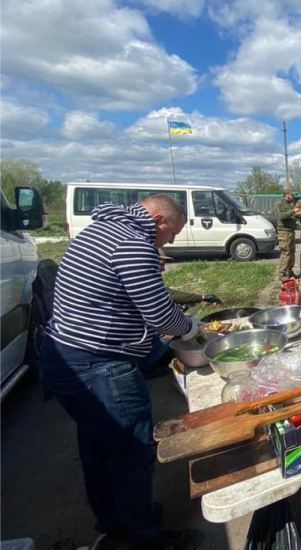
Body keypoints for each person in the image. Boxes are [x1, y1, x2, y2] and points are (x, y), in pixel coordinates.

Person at [40, 195, 203, 550]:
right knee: (131, 450)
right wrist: (191, 328)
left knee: (98, 446)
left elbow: (114, 290)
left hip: (64, 356)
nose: (171, 241)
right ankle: (147, 538)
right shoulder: (132, 244)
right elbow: (162, 317)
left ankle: (116, 521)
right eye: (172, 233)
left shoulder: (103, 228)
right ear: (158, 219)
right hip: (99, 365)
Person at [275, 192, 298, 279]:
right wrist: (293, 211)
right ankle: (282, 273)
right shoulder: (279, 204)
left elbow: (292, 215)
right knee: (285, 252)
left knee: (292, 252)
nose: (293, 197)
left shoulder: (291, 204)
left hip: (291, 230)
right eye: (292, 195)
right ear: (287, 195)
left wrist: (298, 213)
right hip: (284, 231)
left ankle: (290, 272)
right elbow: (281, 216)